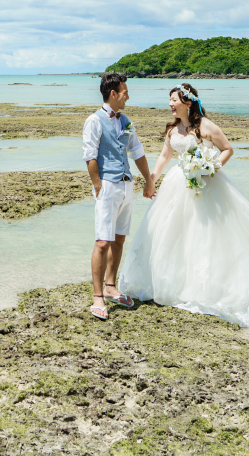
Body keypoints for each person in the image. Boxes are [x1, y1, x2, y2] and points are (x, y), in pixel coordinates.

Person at [120, 82, 249, 328]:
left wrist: (210, 167)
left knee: (208, 234)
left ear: (188, 102)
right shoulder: (173, 129)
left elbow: (227, 149)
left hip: (208, 185)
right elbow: (165, 157)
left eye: (174, 99)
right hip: (177, 185)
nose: (170, 104)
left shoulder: (205, 126)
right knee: (174, 233)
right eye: (170, 99)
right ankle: (175, 283)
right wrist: (151, 180)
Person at [83, 72, 156, 320]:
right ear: (113, 94)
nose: (128, 96)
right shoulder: (94, 120)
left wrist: (148, 180)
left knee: (119, 240)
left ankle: (111, 286)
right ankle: (97, 297)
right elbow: (90, 155)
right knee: (102, 242)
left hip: (126, 186)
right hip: (107, 186)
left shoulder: (126, 121)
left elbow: (137, 151)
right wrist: (98, 185)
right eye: (125, 92)